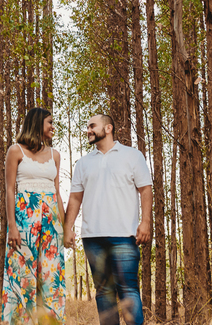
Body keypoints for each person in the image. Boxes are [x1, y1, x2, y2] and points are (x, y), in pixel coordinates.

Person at [63, 114, 152, 325]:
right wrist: (68, 228)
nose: (88, 130)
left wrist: (146, 222)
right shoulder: (83, 163)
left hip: (124, 235)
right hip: (92, 237)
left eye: (92, 126)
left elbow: (145, 189)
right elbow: (75, 198)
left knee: (128, 290)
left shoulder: (132, 155)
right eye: (87, 127)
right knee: (104, 293)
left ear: (109, 128)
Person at [1, 107, 66, 325]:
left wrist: (65, 228)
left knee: (51, 276)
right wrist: (12, 225)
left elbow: (57, 193)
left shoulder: (55, 155)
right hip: (24, 218)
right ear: (38, 124)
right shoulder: (15, 151)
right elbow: (10, 189)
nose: (52, 127)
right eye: (49, 122)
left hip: (51, 221)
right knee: (22, 275)